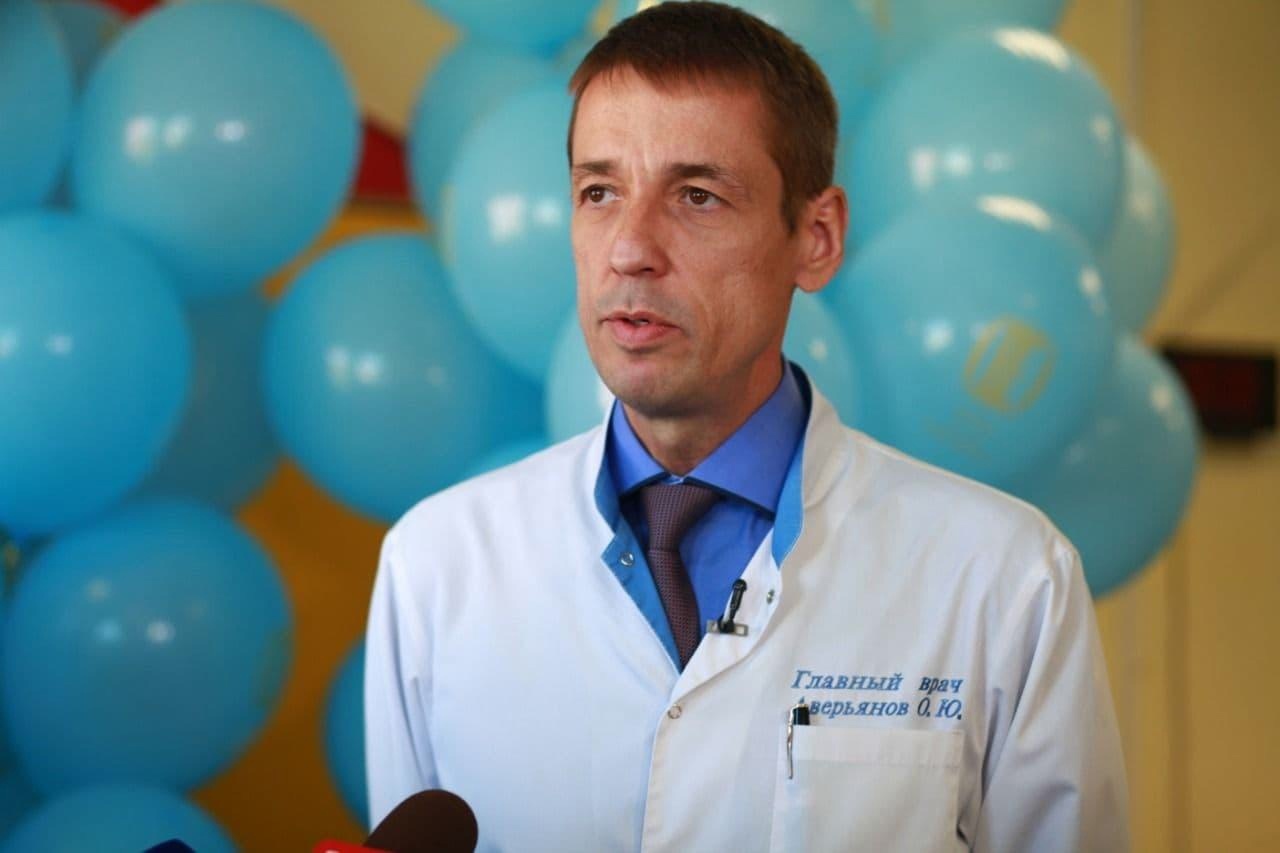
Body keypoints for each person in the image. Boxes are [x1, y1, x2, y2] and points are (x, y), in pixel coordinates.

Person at [364, 3, 1129, 850]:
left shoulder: (1005, 579)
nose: (629, 248)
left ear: (817, 237)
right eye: (598, 192)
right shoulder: (436, 567)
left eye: (696, 195)